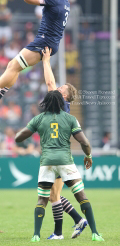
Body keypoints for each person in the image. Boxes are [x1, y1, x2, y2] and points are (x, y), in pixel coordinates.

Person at [15, 91, 104, 242]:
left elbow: (18, 138)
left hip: (47, 163)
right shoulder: (70, 119)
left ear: (46, 102)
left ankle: (36, 235)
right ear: (61, 103)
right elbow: (85, 142)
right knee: (81, 196)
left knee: (42, 199)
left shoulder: (38, 119)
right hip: (65, 162)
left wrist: (35, 129)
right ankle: (95, 233)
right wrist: (88, 156)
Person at [42, 47, 87, 239]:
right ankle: (77, 220)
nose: (59, 89)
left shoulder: (60, 103)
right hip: (56, 153)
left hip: (58, 155)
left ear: (66, 96)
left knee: (53, 195)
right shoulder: (61, 106)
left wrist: (45, 61)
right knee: (54, 194)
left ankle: (60, 232)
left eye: (63, 90)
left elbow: (50, 82)